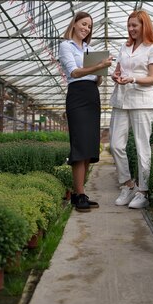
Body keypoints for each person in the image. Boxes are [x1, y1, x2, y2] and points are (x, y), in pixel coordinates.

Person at [59, 11, 113, 212]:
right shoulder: (66, 45)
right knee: (80, 146)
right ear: (74, 24)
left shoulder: (89, 49)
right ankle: (78, 193)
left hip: (92, 95)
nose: (86, 28)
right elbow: (73, 72)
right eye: (83, 24)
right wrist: (97, 66)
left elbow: (94, 78)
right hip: (77, 95)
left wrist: (100, 73)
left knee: (89, 148)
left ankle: (81, 193)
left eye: (89, 26)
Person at [109, 9, 153, 209]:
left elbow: (152, 78)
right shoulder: (124, 47)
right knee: (115, 145)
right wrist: (116, 77)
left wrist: (132, 79)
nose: (131, 29)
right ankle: (128, 185)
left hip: (142, 100)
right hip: (121, 100)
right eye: (129, 25)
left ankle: (143, 191)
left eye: (134, 25)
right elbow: (117, 71)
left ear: (144, 26)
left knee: (142, 147)